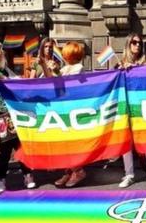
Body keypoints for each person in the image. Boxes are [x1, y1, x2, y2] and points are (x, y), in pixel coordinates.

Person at [0, 41, 36, 192]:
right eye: (0, 50)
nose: (2, 53)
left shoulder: (5, 69)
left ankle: (27, 174)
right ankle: (1, 178)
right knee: (5, 147)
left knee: (19, 145)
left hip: (14, 111)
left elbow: (16, 82)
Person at [114, 33, 146, 189]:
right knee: (126, 142)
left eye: (140, 43)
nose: (137, 45)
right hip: (126, 107)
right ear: (128, 45)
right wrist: (120, 70)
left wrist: (136, 69)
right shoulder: (120, 64)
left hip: (142, 107)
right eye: (134, 43)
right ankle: (129, 175)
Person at [53, 41, 87, 188]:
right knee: (65, 142)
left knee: (72, 142)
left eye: (65, 52)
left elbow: (67, 84)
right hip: (63, 108)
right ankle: (69, 169)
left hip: (73, 108)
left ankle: (78, 171)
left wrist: (56, 72)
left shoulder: (78, 68)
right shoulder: (66, 68)